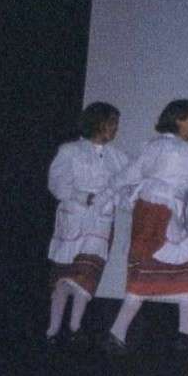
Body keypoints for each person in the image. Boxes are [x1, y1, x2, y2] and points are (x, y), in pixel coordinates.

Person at [103, 100, 188, 356]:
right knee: (170, 267)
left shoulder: (156, 146)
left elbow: (127, 175)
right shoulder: (185, 151)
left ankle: (181, 333)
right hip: (161, 213)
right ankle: (120, 333)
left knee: (180, 268)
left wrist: (110, 192)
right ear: (179, 120)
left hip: (152, 211)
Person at [45, 101, 129, 349]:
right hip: (74, 218)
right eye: (111, 123)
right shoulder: (70, 151)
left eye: (116, 124)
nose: (115, 129)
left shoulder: (118, 157)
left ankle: (75, 327)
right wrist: (83, 197)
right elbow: (57, 183)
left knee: (87, 275)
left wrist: (114, 199)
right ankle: (52, 329)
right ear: (97, 123)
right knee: (64, 277)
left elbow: (127, 188)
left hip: (101, 222)